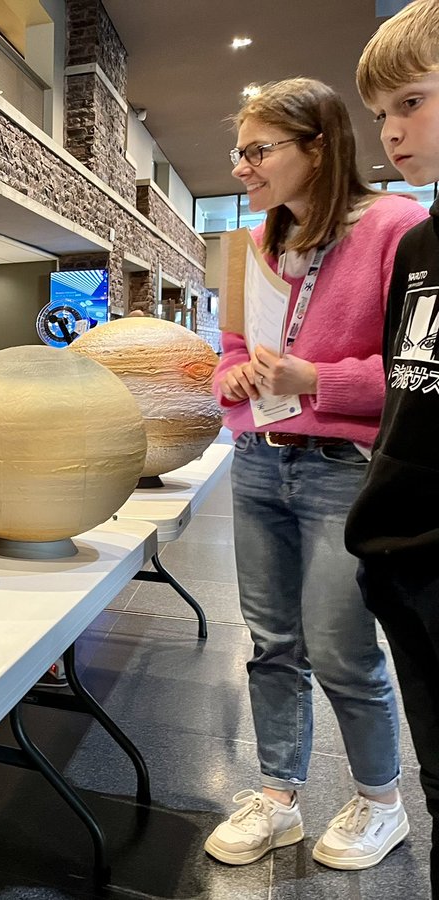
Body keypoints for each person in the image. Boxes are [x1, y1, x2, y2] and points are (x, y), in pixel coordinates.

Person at [205, 77, 427, 870]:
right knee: (271, 642)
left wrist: (315, 380)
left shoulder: (396, 226)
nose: (242, 168)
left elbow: (414, 370)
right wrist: (234, 376)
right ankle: (278, 797)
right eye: (239, 152)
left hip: (342, 469)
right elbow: (232, 352)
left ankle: (381, 802)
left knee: (339, 647)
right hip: (258, 463)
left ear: (319, 146)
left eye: (258, 151)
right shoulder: (253, 245)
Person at [349, 3, 439, 892]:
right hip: (400, 556)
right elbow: (405, 392)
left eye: (412, 102)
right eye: (382, 113)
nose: (393, 131)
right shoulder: (419, 247)